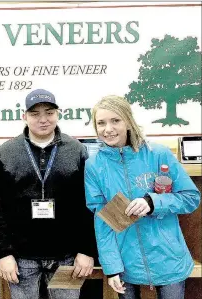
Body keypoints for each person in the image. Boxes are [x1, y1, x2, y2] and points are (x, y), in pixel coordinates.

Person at [85, 95, 201, 299]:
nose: (108, 129)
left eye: (115, 120)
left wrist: (152, 202)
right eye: (101, 123)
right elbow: (102, 220)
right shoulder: (94, 165)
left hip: (169, 259)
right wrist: (111, 267)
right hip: (126, 263)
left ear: (128, 121)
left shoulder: (158, 154)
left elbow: (190, 198)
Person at [0, 89, 97, 299]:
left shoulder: (77, 150)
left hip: (66, 256)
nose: (43, 119)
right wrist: (3, 253)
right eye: (35, 114)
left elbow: (88, 205)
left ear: (58, 114)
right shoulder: (6, 152)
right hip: (21, 258)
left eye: (49, 112)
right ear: (24, 116)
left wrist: (87, 250)